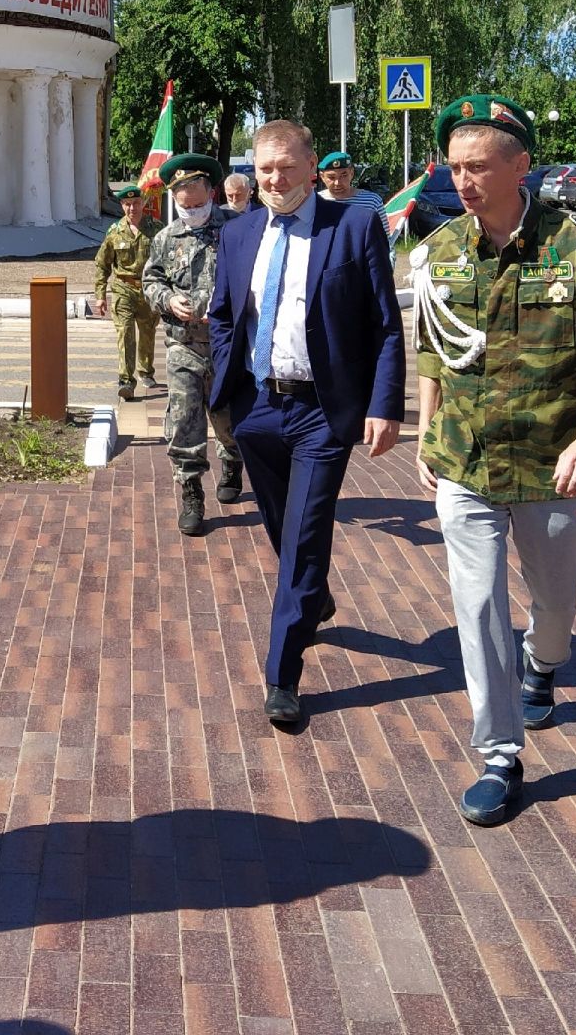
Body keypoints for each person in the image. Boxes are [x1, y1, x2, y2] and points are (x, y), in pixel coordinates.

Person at [410, 94, 576, 827]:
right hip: (467, 461)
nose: (465, 181)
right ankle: (499, 755)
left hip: (554, 463)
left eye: (479, 166)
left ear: (521, 165)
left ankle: (545, 665)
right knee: (478, 608)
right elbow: (432, 347)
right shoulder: (442, 249)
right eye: (455, 167)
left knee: (557, 603)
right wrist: (425, 427)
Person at [208, 119, 405, 729]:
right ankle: (313, 598)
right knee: (279, 524)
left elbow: (386, 323)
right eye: (265, 168)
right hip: (258, 407)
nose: (274, 179)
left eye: (287, 167)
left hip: (324, 410)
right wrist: (225, 389)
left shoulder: (351, 225)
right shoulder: (238, 233)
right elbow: (222, 316)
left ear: (311, 164)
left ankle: (282, 673)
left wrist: (383, 404)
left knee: (305, 533)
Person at [142, 154, 241, 537]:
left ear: (212, 193)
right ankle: (191, 492)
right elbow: (151, 282)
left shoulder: (235, 228)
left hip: (227, 344)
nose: (191, 209)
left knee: (227, 416)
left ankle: (232, 460)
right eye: (183, 203)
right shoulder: (166, 238)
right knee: (184, 419)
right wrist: (168, 300)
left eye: (197, 202)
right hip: (183, 345)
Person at [92, 185, 160, 402]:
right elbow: (102, 265)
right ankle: (126, 382)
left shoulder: (156, 228)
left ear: (144, 204)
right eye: (128, 204)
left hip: (149, 288)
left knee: (148, 332)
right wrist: (100, 295)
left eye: (137, 203)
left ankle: (146, 371)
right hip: (123, 288)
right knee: (125, 334)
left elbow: (167, 261)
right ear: (122, 206)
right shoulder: (114, 232)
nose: (132, 208)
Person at [317, 151, 386, 219]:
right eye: (331, 177)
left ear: (352, 173)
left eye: (343, 176)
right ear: (322, 176)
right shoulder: (315, 202)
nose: (337, 183)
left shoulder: (372, 202)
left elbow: (382, 230)